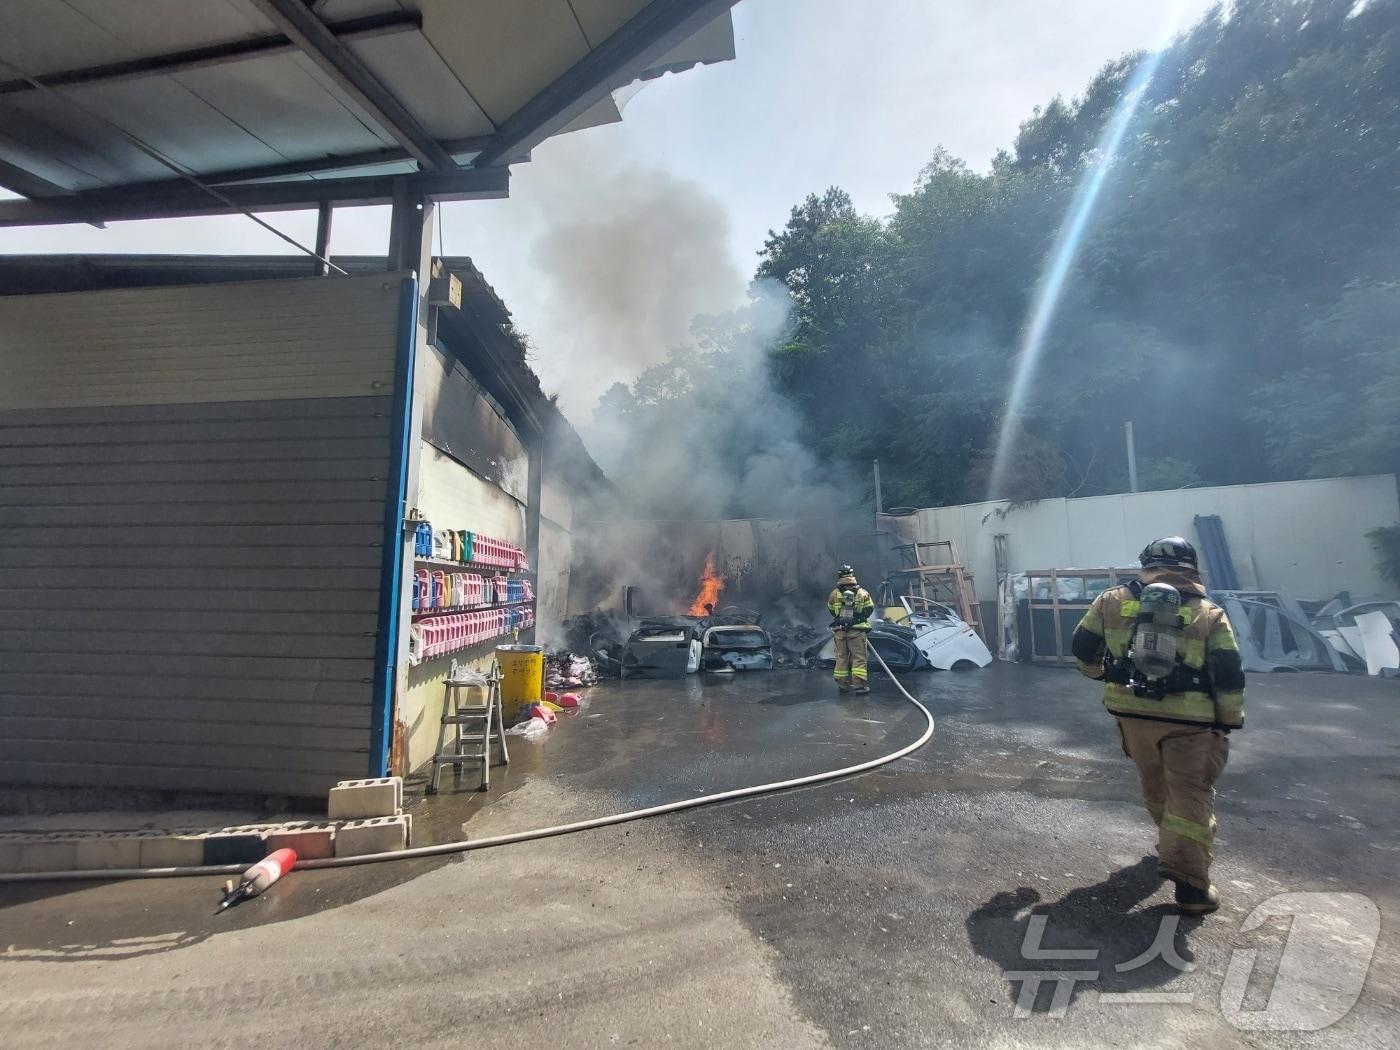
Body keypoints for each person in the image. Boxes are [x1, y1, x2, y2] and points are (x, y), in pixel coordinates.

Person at [1071, 536, 1246, 914]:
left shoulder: (1111, 600)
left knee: (1154, 785)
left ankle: (1172, 845)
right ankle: (1192, 888)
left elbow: (1083, 648)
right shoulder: (1208, 612)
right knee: (1188, 794)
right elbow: (1229, 672)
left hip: (1131, 715)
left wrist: (1103, 675)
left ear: (1145, 564)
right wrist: (1229, 720)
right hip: (1191, 722)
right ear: (1192, 568)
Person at [827, 564, 875, 695]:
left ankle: (843, 685)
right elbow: (870, 609)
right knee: (858, 657)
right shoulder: (862, 592)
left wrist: (840, 618)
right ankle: (859, 686)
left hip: (840, 631)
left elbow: (831, 610)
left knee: (841, 657)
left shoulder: (834, 594)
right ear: (852, 575)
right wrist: (859, 618)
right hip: (857, 631)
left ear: (839, 576)